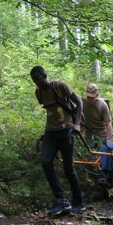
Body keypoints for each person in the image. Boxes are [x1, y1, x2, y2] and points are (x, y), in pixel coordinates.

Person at [31, 65, 86, 216]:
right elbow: (51, 113)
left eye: (39, 78)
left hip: (66, 130)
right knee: (46, 162)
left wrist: (76, 124)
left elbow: (79, 102)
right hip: (50, 132)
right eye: (34, 80)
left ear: (44, 75)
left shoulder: (59, 86)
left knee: (68, 168)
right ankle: (61, 200)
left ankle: (78, 202)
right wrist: (45, 133)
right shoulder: (39, 93)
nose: (37, 82)